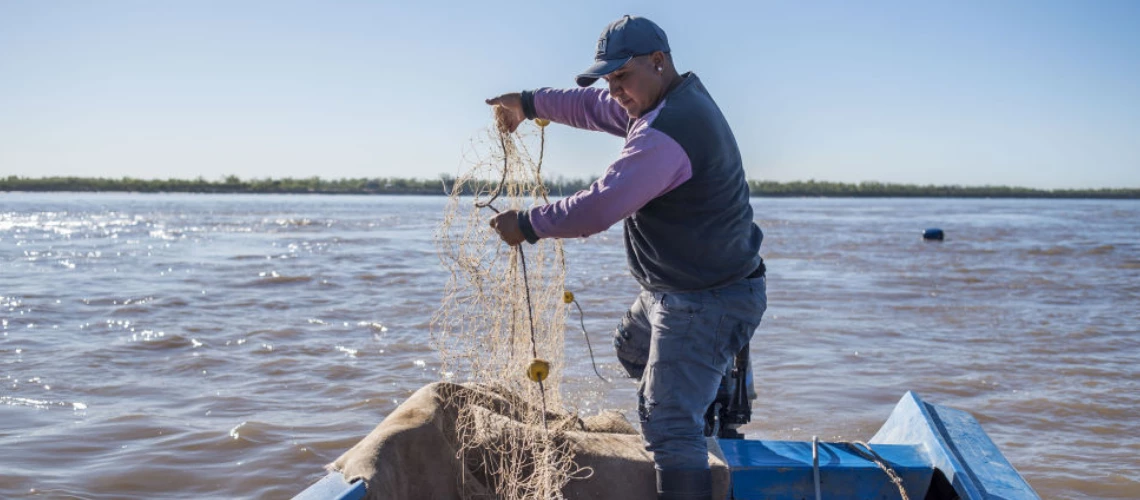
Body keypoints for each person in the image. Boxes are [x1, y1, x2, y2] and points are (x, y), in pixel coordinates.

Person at [486, 15, 767, 500]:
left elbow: (598, 207)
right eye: (609, 78)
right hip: (673, 290)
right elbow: (590, 106)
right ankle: (712, 395)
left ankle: (693, 423)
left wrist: (528, 225)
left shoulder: (669, 129)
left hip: (708, 299)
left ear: (658, 63)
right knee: (632, 348)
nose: (614, 90)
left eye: (622, 77)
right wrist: (528, 102)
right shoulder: (658, 101)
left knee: (666, 423)